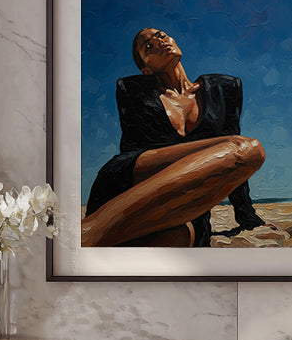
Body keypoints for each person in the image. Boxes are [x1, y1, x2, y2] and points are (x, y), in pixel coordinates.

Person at [82, 27, 266, 247]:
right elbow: (132, 152)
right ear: (146, 69)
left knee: (182, 236)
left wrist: (247, 216)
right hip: (127, 186)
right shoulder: (134, 91)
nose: (159, 42)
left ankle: (92, 241)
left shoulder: (222, 88)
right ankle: (86, 233)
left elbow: (232, 173)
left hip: (178, 205)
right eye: (148, 47)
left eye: (161, 36)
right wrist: (226, 144)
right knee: (246, 149)